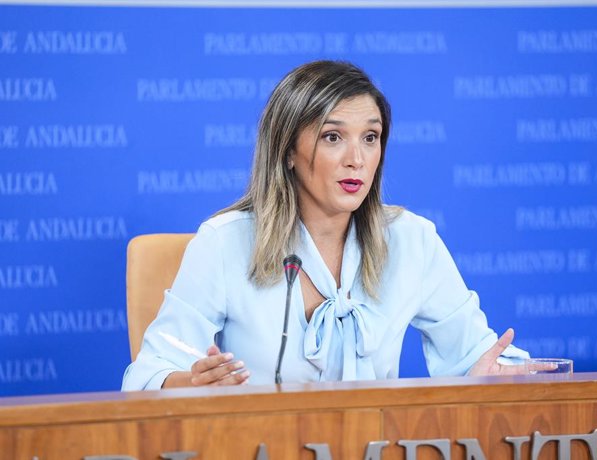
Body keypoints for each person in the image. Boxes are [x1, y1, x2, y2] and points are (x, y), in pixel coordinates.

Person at [122, 60, 527, 390]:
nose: (357, 159)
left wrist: (499, 373)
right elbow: (147, 374)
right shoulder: (225, 244)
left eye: (371, 137)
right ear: (288, 151)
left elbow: (478, 357)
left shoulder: (410, 239)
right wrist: (189, 385)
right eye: (333, 137)